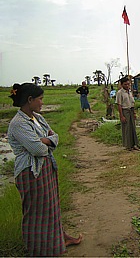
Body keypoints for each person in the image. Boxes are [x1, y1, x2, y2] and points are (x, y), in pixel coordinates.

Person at [7, 83, 82, 256]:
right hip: (30, 172)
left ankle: (58, 240)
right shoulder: (18, 123)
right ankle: (38, 250)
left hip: (45, 167)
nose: (42, 103)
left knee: (51, 207)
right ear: (30, 100)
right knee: (35, 212)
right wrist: (45, 141)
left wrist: (44, 140)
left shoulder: (37, 118)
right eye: (40, 99)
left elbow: (54, 136)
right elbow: (38, 150)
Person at [116, 76, 140, 151]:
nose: (127, 86)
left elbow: (132, 103)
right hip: (125, 111)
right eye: (125, 84)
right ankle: (128, 146)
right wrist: (121, 116)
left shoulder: (130, 92)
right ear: (122, 85)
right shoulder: (120, 93)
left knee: (133, 128)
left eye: (128, 84)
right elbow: (119, 105)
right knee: (127, 128)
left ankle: (134, 145)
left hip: (131, 111)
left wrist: (134, 113)